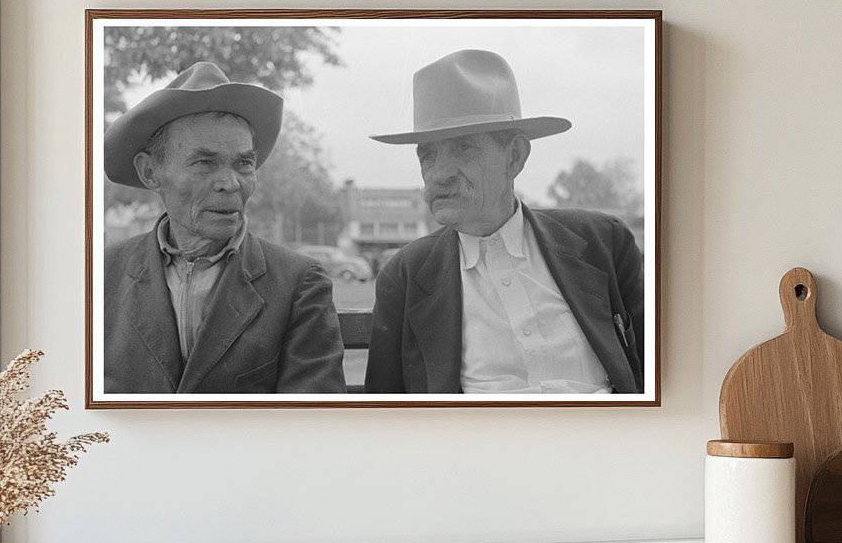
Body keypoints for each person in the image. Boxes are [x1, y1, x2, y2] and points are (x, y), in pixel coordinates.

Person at [364, 49, 644, 395]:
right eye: (428, 155)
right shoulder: (407, 273)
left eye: (463, 149)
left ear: (514, 157)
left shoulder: (603, 242)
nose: (438, 174)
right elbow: (386, 406)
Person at [103, 61, 346, 394]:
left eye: (244, 164)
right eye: (205, 163)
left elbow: (312, 422)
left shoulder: (298, 283)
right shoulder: (103, 275)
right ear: (150, 173)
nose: (230, 184)